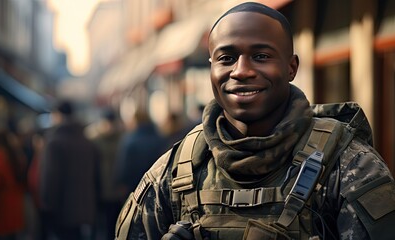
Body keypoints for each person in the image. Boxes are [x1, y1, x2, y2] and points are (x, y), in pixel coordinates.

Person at [114, 2, 395, 240]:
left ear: (291, 67)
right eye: (226, 58)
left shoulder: (348, 165)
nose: (242, 71)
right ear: (211, 68)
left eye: (261, 56)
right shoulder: (175, 171)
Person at [40, 100, 100, 240]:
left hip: (62, 210)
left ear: (58, 115)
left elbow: (50, 178)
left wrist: (47, 205)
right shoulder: (87, 142)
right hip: (85, 208)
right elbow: (96, 176)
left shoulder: (54, 143)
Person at [89, 109, 123, 240]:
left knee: (112, 225)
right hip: (98, 188)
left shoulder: (122, 138)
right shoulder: (94, 139)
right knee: (97, 225)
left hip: (115, 190)